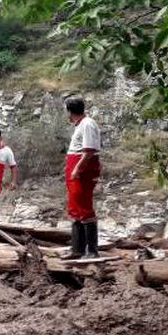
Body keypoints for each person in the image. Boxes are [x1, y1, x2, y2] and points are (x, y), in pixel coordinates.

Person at [64, 96, 102, 258]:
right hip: (75, 166)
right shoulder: (80, 125)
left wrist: (77, 169)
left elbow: (88, 151)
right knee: (75, 206)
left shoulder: (87, 124)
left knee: (84, 205)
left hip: (83, 169)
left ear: (70, 111)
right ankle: (77, 249)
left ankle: (92, 251)